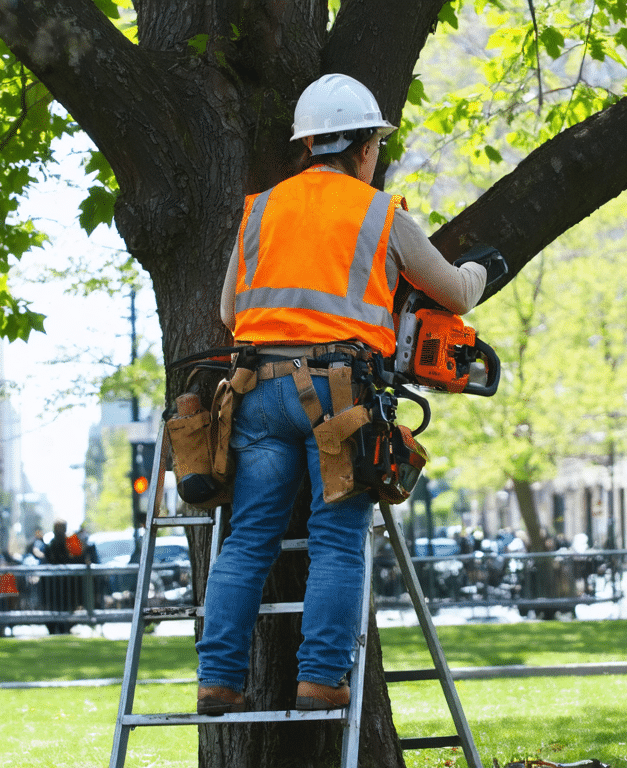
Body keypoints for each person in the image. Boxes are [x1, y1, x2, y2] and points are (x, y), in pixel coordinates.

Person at [197, 73, 488, 716]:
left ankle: (218, 680)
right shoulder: (381, 213)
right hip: (338, 396)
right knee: (336, 539)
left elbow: (228, 312)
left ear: (308, 144)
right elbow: (457, 293)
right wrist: (482, 267)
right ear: (363, 146)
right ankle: (320, 680)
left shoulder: (259, 210)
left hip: (257, 389)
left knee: (246, 540)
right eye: (376, 145)